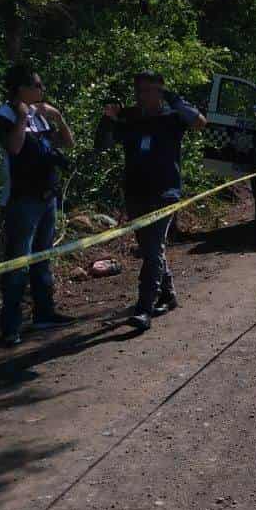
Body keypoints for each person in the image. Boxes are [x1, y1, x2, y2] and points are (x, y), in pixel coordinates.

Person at [95, 72, 206, 331]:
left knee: (153, 249)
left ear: (160, 92)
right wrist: (108, 119)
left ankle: (144, 308)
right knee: (150, 249)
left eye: (150, 90)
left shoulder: (173, 117)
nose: (144, 95)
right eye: (140, 90)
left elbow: (200, 122)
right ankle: (168, 294)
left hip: (165, 194)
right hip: (135, 193)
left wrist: (173, 98)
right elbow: (102, 145)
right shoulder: (130, 117)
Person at [0, 63, 77, 345]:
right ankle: (11, 326)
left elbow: (68, 143)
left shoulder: (40, 117)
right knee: (18, 264)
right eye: (38, 85)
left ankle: (44, 313)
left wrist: (58, 117)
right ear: (22, 88)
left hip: (47, 198)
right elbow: (14, 148)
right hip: (22, 200)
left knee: (43, 258)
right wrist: (20, 117)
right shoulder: (4, 115)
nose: (42, 90)